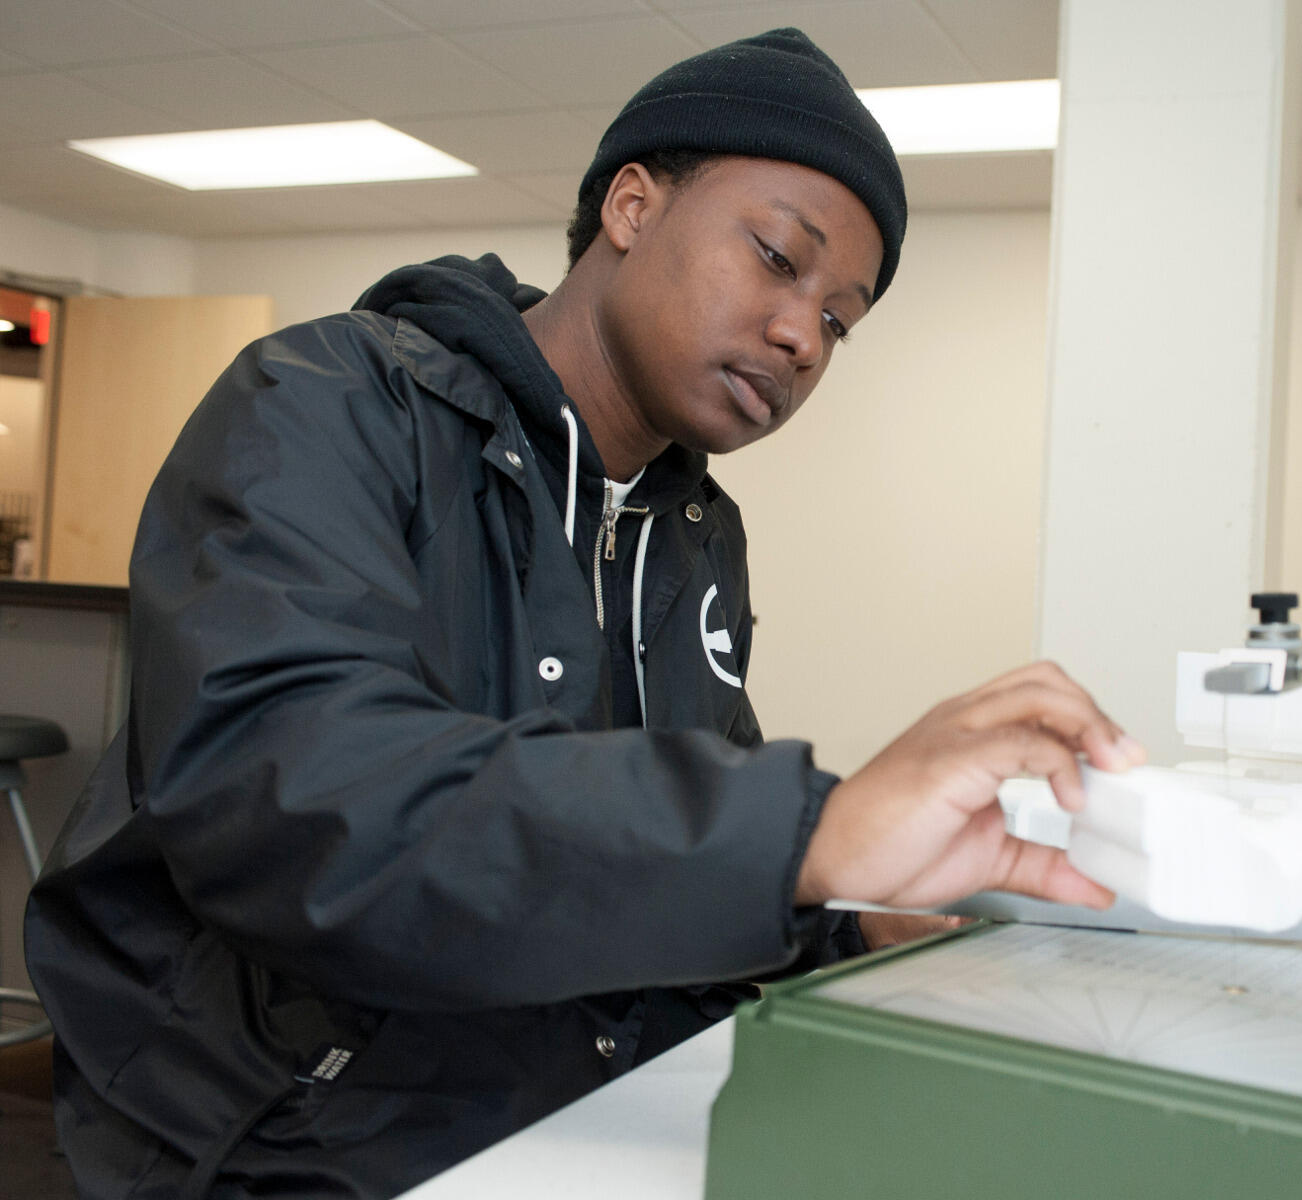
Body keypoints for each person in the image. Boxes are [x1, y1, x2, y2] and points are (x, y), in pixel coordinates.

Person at [24, 28, 1141, 1200]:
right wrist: (809, 829)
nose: (804, 335)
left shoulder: (694, 535)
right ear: (632, 203)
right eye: (775, 257)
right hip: (293, 1141)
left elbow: (639, 844)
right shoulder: (326, 407)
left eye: (842, 319)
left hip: (578, 1112)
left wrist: (842, 924)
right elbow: (296, 803)